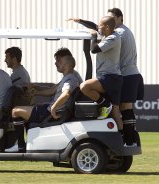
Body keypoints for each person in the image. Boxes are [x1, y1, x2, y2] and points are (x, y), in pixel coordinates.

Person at [67, 8, 144, 145]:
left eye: (112, 18)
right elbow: (98, 27)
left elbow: (96, 42)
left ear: (120, 18)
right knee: (118, 109)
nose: (108, 20)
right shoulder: (120, 30)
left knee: (125, 108)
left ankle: (130, 139)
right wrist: (81, 21)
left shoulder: (118, 33)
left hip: (125, 74)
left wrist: (94, 35)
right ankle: (128, 139)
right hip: (127, 74)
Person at [11, 48, 83, 152]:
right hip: (50, 108)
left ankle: (20, 146)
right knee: (25, 111)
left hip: (51, 111)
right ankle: (27, 143)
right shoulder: (69, 76)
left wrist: (53, 108)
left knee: (15, 111)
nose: (56, 63)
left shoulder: (70, 78)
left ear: (67, 62)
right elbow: (52, 90)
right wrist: (34, 89)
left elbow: (66, 94)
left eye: (59, 61)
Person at [79, 16, 123, 131]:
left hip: (110, 77)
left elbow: (93, 50)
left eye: (101, 25)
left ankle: (104, 104)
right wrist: (80, 21)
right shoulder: (107, 33)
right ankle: (122, 139)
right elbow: (94, 26)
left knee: (84, 87)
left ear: (107, 27)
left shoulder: (112, 38)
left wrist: (94, 36)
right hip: (113, 78)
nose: (98, 27)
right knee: (115, 111)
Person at [4, 46, 31, 152]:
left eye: (7, 57)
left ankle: (18, 144)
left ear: (14, 59)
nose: (5, 60)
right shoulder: (18, 72)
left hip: (18, 108)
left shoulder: (18, 74)